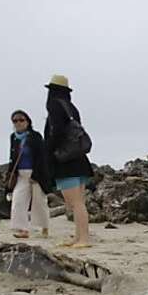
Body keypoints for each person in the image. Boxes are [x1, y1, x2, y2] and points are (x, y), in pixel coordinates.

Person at [43, 74, 94, 248]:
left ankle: (84, 239)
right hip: (79, 159)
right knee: (78, 202)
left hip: (66, 162)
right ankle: (79, 237)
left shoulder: (54, 105)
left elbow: (55, 132)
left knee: (75, 203)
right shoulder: (71, 107)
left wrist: (48, 152)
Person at [5, 110, 51, 239]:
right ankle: (22, 229)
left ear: (27, 121)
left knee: (39, 202)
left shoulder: (35, 136)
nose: (18, 123)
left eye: (21, 120)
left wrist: (36, 175)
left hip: (35, 174)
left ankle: (44, 227)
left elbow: (42, 157)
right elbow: (12, 157)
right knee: (18, 201)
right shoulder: (13, 137)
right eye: (15, 121)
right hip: (20, 174)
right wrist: (10, 175)